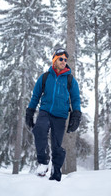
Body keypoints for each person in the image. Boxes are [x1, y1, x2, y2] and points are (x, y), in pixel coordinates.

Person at [25, 48, 81, 181]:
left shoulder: (70, 79)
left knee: (57, 145)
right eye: (61, 59)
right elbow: (35, 96)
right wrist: (30, 111)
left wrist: (76, 114)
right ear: (55, 60)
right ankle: (43, 162)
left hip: (61, 116)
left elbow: (75, 99)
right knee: (39, 130)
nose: (63, 61)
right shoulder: (45, 77)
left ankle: (56, 171)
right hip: (45, 111)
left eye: (65, 60)